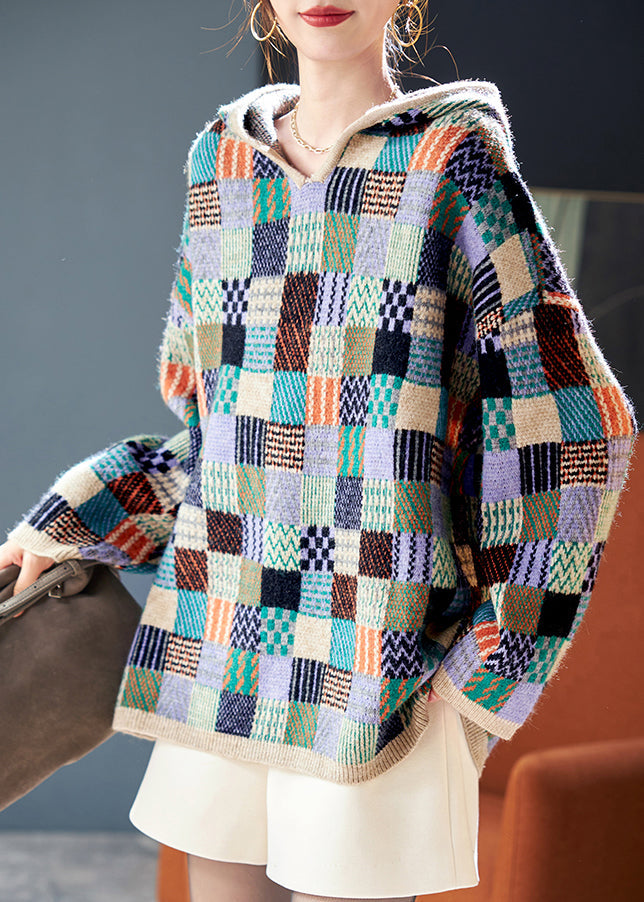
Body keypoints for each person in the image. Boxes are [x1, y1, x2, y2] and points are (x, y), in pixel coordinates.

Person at [0, 1, 637, 900]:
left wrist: (493, 663)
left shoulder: (452, 160)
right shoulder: (221, 163)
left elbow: (575, 427)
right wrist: (72, 518)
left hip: (382, 654)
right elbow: (227, 442)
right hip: (224, 634)